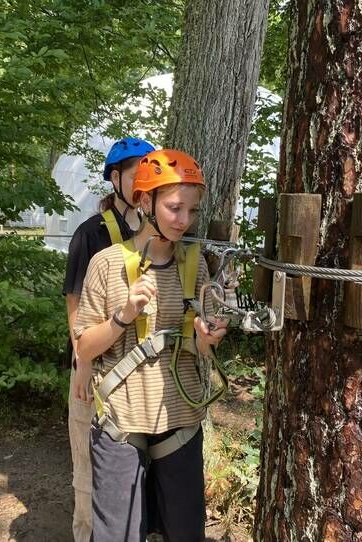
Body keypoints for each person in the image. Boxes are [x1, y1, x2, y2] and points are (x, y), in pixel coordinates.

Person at [74, 149, 228, 541]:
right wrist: (123, 316)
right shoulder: (107, 264)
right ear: (146, 202)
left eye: (192, 211)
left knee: (185, 532)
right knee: (117, 535)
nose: (183, 220)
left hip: (180, 419)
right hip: (121, 420)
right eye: (174, 208)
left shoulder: (194, 265)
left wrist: (207, 338)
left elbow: (202, 349)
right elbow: (84, 348)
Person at [63, 137, 155, 542]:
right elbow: (74, 306)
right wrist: (82, 365)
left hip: (138, 374)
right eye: (136, 174)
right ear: (115, 178)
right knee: (88, 472)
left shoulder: (153, 232)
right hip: (95, 367)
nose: (143, 183)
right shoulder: (91, 234)